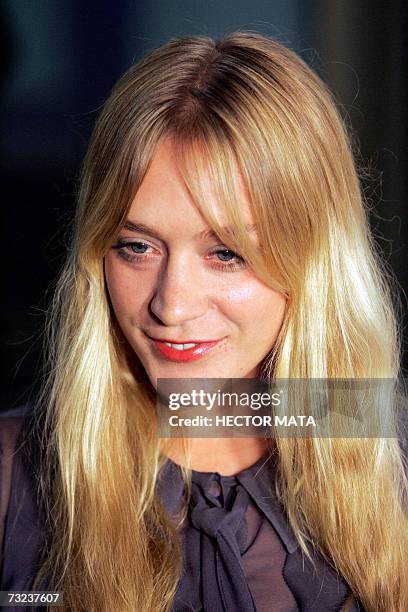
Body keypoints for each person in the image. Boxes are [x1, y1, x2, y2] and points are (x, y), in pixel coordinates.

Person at [0, 31, 407, 612]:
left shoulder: (390, 457)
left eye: (225, 254)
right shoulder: (16, 477)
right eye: (136, 246)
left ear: (314, 259)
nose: (171, 305)